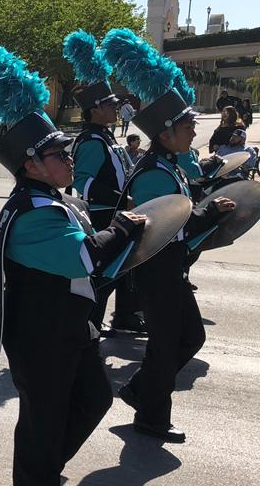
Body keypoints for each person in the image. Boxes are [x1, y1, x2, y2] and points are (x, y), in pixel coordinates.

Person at [0, 31, 145, 486]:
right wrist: (122, 226)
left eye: (65, 152)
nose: (69, 160)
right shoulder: (35, 214)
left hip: (66, 325)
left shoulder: (52, 202)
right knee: (43, 418)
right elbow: (86, 258)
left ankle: (43, 473)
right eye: (59, 154)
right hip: (42, 334)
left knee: (92, 399)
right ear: (31, 164)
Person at [101, 27, 236, 445]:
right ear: (164, 134)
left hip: (170, 269)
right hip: (157, 271)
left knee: (187, 337)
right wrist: (208, 212)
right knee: (168, 344)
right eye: (188, 126)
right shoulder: (154, 173)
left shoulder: (170, 167)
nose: (194, 131)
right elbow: (167, 229)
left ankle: (141, 391)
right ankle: (151, 417)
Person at [64, 29, 143, 335]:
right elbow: (83, 184)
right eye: (110, 104)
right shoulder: (92, 140)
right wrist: (122, 200)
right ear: (95, 109)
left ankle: (119, 316)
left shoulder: (105, 135)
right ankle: (86, 329)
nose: (116, 107)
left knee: (118, 274)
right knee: (101, 279)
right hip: (100, 218)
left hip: (114, 212)